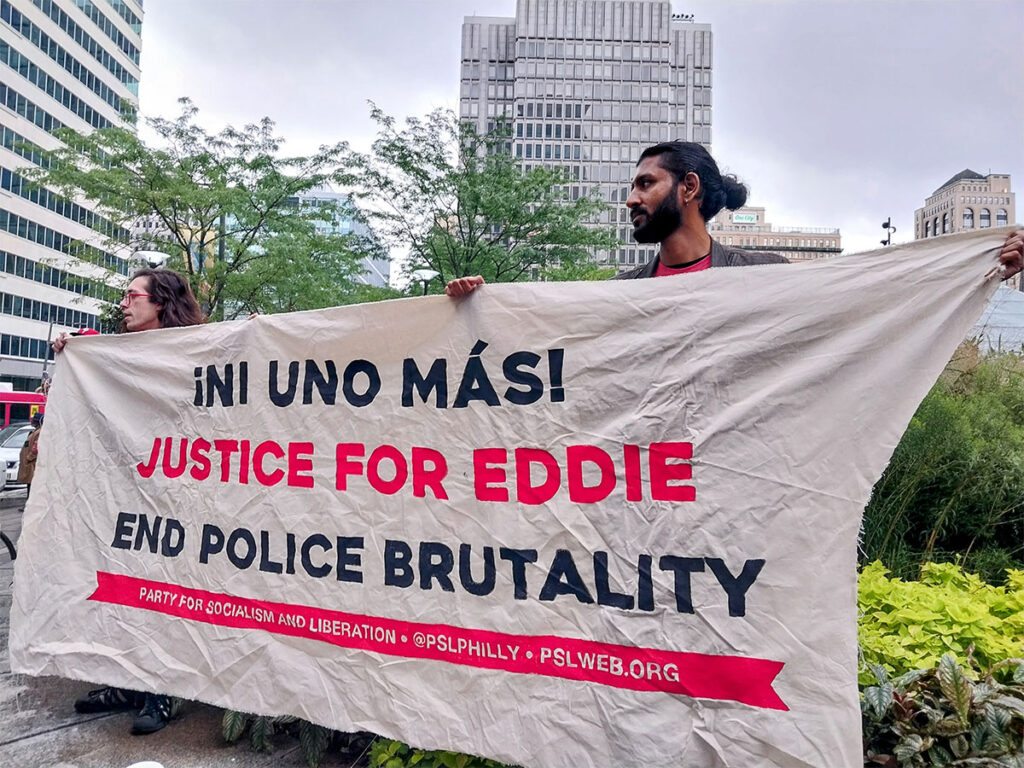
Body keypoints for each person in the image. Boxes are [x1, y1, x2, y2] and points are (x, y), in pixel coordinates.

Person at [444, 141, 1024, 296]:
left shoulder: (763, 274)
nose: (631, 199)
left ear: (688, 188)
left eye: (645, 184)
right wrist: (481, 307)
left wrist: (974, 268)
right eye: (632, 187)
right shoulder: (622, 291)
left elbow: (866, 296)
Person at [53, 268, 205, 735]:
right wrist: (72, 350)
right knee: (122, 589)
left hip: (175, 495)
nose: (124, 302)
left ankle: (161, 690)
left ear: (160, 302)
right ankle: (126, 682)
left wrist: (258, 340)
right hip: (124, 493)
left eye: (132, 295)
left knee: (165, 592)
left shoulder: (194, 348)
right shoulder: (116, 354)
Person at [17, 412, 42, 498]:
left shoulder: (39, 433)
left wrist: (29, 458)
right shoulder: (34, 432)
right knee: (29, 485)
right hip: (29, 464)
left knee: (32, 486)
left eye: (34, 420)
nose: (32, 422)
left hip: (32, 464)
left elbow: (36, 448)